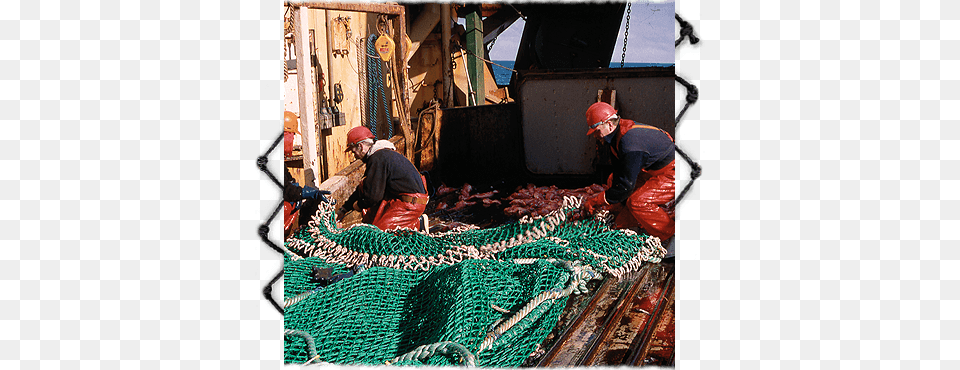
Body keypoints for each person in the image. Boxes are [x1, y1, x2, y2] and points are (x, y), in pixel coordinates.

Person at [580, 102, 676, 241]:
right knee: (613, 180)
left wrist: (597, 201)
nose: (596, 136)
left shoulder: (630, 144)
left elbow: (625, 187)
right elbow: (620, 176)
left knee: (638, 202)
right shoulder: (617, 134)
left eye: (597, 131)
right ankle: (630, 224)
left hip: (673, 171)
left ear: (609, 124)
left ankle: (670, 236)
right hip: (653, 168)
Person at [341, 126, 429, 230]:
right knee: (372, 222)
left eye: (353, 151)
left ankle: (417, 224)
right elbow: (365, 187)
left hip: (410, 203)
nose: (354, 156)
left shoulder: (377, 159)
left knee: (380, 235)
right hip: (406, 198)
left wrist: (358, 205)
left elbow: (373, 197)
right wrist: (344, 209)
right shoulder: (382, 154)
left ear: (360, 146)